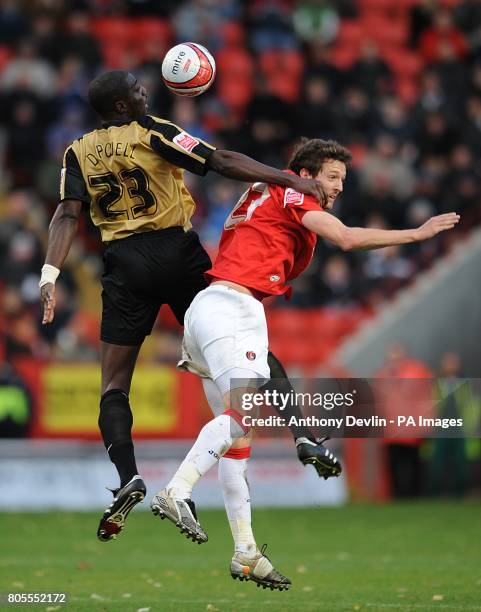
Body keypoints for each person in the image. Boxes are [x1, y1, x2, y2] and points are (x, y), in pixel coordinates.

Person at [38, 70, 337, 543]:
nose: (144, 92)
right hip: (176, 252)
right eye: (136, 90)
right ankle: (301, 432)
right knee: (244, 340)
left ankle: (128, 477)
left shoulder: (77, 151)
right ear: (121, 106)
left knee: (113, 384)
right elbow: (219, 160)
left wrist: (50, 273)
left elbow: (67, 213)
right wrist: (283, 177)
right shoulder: (153, 130)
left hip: (123, 263)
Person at [151, 138, 459, 590]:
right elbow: (348, 238)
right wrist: (417, 233)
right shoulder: (293, 193)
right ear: (305, 172)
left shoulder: (265, 193)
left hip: (207, 311)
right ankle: (177, 490)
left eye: (342, 180)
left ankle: (245, 552)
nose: (337, 187)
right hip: (234, 308)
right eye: (332, 177)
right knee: (243, 417)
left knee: (238, 441)